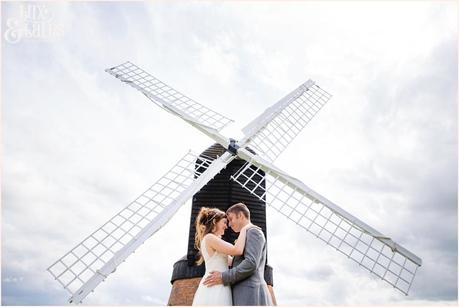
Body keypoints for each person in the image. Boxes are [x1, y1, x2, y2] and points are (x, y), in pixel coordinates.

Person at [203, 203, 273, 306]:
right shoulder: (245, 235)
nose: (229, 224)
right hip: (242, 293)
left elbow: (251, 263)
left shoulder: (253, 232)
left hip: (250, 293)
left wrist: (224, 276)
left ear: (240, 215)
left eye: (231, 219)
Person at [192, 207, 250, 306]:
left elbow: (232, 262)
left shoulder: (211, 240)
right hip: (215, 287)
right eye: (224, 222)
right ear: (215, 222)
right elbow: (237, 250)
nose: (226, 226)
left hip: (219, 283)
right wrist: (245, 228)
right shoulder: (210, 238)